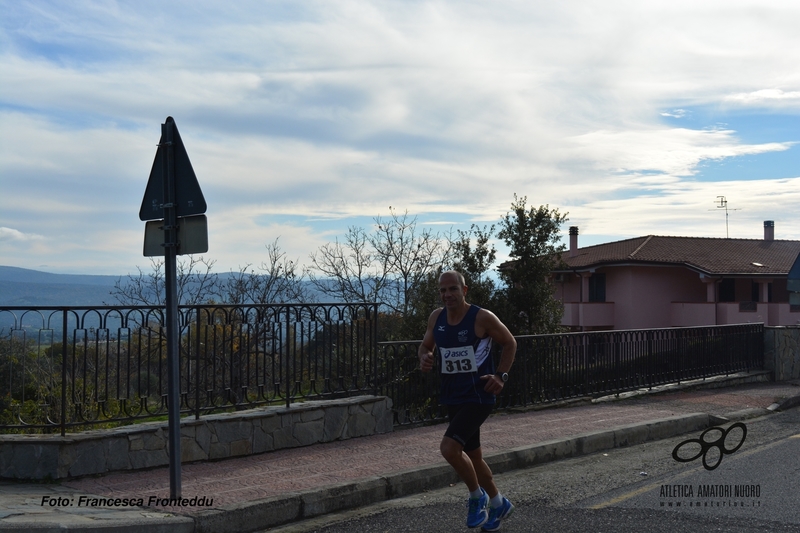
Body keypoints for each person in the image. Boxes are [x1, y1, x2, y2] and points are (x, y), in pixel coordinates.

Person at [418, 270, 516, 531]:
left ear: (465, 290)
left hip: (478, 396)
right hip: (453, 396)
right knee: (473, 457)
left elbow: (510, 343)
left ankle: (477, 497)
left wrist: (501, 375)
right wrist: (424, 356)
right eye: (442, 290)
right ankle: (499, 503)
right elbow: (425, 345)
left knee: (449, 449)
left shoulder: (482, 317)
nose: (447, 294)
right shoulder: (436, 318)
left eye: (452, 289)